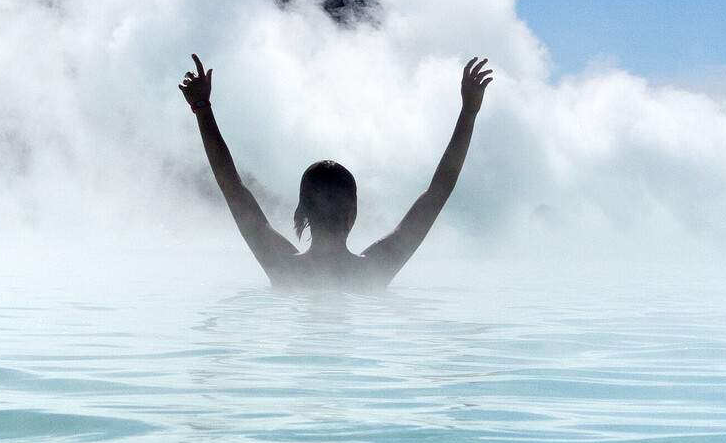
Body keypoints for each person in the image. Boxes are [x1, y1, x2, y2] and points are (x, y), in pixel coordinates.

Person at [178, 53, 492, 289]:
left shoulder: (284, 269)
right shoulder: (374, 271)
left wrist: (202, 108)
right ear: (353, 211)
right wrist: (469, 111)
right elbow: (437, 193)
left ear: (302, 212)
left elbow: (232, 187)